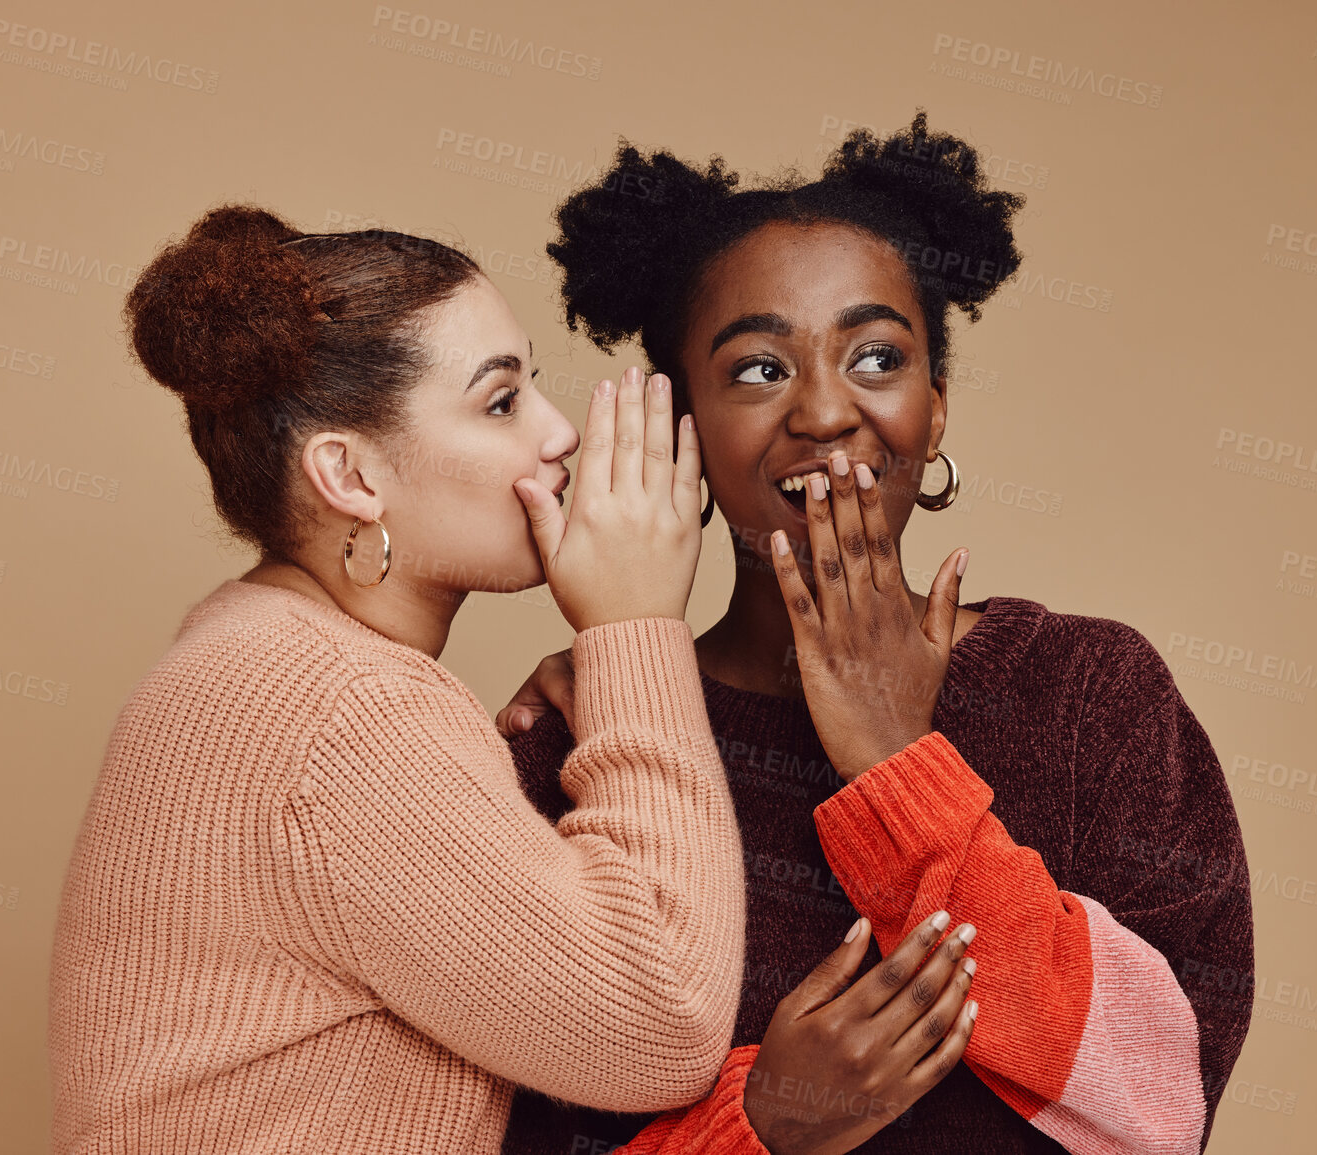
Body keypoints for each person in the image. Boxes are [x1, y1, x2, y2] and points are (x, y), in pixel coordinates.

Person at [502, 115, 1256, 1154]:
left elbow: (1163, 1095)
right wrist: (761, 1123)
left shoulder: (1090, 692)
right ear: (685, 426)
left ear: (934, 410)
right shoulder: (591, 733)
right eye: (759, 369)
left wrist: (897, 762)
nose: (823, 411)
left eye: (875, 356)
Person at [49, 205, 771, 1154]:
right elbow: (661, 1024)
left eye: (535, 387)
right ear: (349, 475)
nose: (559, 435)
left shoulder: (251, 654)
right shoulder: (338, 705)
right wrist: (634, 629)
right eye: (500, 402)